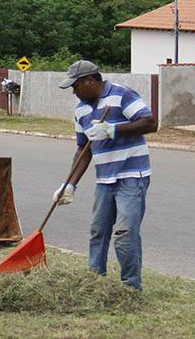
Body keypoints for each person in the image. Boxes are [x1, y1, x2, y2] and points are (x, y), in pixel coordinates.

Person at [54, 60, 157, 291]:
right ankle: (94, 282)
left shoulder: (121, 95)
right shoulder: (81, 111)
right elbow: (83, 149)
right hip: (105, 179)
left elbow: (151, 123)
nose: (74, 92)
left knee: (125, 233)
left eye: (76, 86)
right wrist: (69, 184)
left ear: (90, 80)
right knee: (98, 231)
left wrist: (113, 129)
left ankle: (130, 286)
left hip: (132, 176)